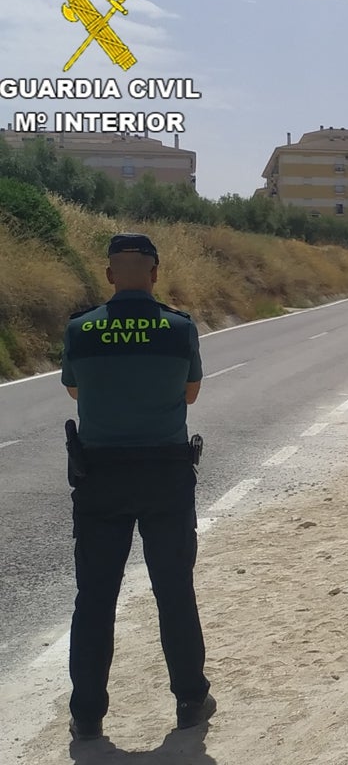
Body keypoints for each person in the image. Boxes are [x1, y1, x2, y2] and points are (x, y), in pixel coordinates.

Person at [60, 233, 216, 741]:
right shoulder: (179, 328)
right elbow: (189, 394)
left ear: (109, 275)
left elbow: (75, 389)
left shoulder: (80, 330)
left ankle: (87, 714)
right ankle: (191, 699)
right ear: (154, 274)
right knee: (174, 591)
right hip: (165, 475)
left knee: (95, 598)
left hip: (100, 477)